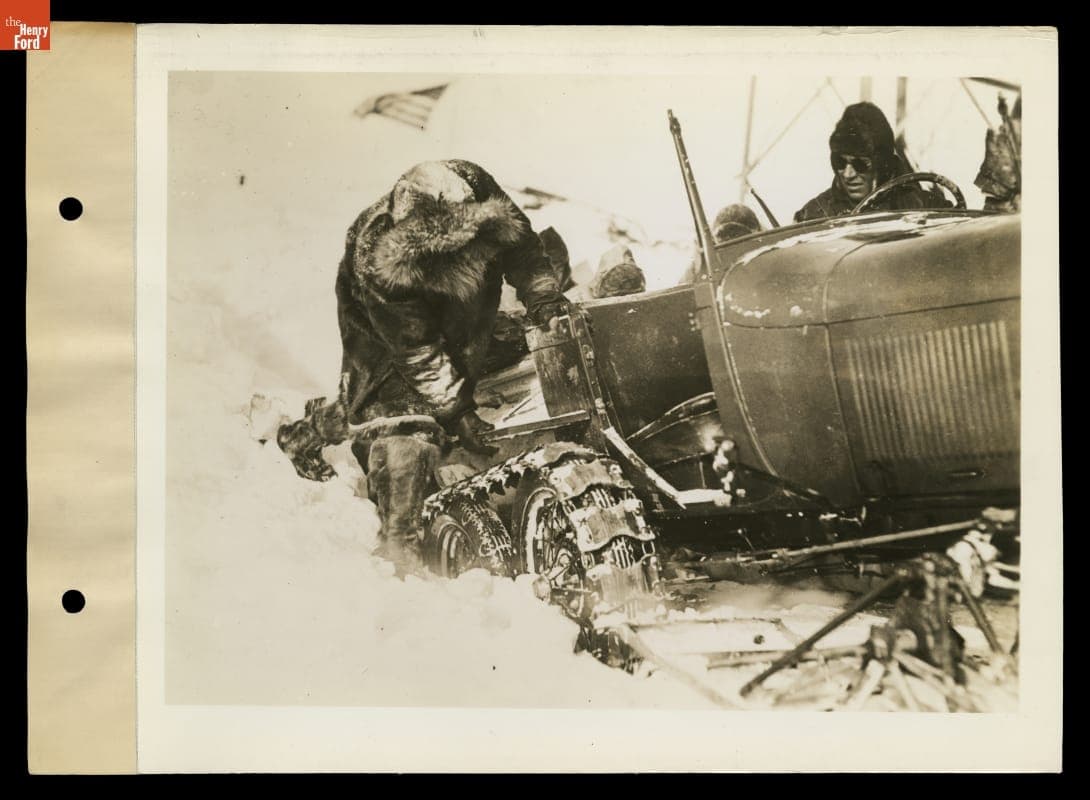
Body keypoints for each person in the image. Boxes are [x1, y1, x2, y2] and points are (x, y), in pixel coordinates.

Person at [277, 160, 570, 574]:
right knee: (395, 409)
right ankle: (400, 547)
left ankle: (310, 432)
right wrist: (458, 412)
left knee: (494, 353)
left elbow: (524, 250)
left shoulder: (474, 184)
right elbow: (416, 350)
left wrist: (543, 297)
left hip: (465, 312)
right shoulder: (378, 255)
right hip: (383, 326)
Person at [794, 102, 949, 223]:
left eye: (860, 164)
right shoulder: (813, 216)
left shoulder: (928, 208)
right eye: (839, 162)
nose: (848, 174)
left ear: (882, 165)